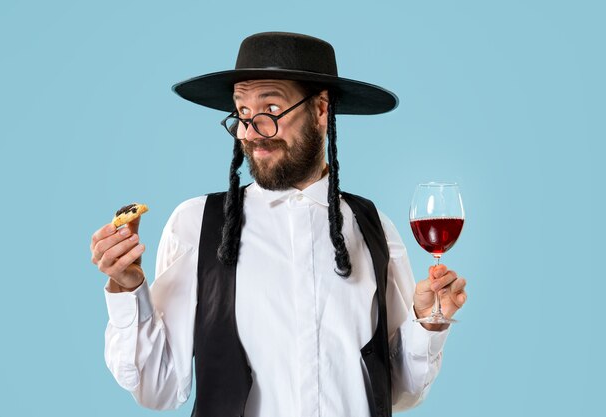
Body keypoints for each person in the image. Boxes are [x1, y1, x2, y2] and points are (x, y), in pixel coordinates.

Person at [90, 32, 467, 417]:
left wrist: (428, 323)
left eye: (270, 107)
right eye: (243, 112)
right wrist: (127, 289)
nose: (251, 131)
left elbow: (397, 393)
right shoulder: (196, 226)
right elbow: (158, 388)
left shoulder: (374, 228)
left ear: (321, 111)